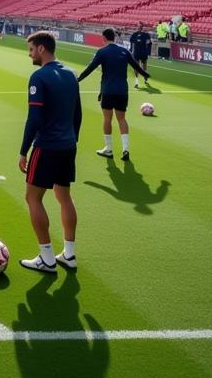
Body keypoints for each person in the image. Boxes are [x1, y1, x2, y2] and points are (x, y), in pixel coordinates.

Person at [18, 31, 81, 273]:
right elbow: (77, 114)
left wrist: (24, 151)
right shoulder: (71, 74)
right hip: (68, 146)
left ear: (42, 49)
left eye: (32, 49)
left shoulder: (39, 77)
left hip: (46, 146)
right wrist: (72, 139)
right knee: (64, 196)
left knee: (33, 197)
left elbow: (34, 118)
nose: (30, 54)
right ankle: (70, 254)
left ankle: (46, 257)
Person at [77, 27, 150, 161]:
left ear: (104, 38)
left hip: (108, 90)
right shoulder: (124, 51)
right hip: (122, 90)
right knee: (122, 119)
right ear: (114, 37)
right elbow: (136, 66)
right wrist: (146, 74)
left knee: (107, 119)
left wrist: (77, 80)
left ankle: (108, 149)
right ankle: (125, 149)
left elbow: (90, 69)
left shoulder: (102, 52)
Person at [128, 22, 152, 88]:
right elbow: (131, 42)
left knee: (144, 66)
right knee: (136, 66)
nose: (139, 27)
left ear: (142, 27)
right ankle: (136, 81)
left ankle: (145, 75)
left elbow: (149, 43)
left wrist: (148, 52)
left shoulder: (146, 35)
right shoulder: (134, 34)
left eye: (140, 26)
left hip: (143, 53)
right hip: (136, 53)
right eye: (138, 26)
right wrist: (131, 50)